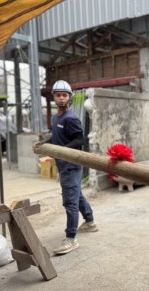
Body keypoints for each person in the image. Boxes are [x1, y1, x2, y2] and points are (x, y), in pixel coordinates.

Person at [33, 80, 98, 255]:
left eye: (64, 95)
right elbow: (56, 138)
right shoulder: (56, 118)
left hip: (71, 166)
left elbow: (80, 140)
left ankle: (71, 239)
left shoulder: (71, 118)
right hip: (63, 164)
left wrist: (62, 151)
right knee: (77, 194)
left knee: (70, 201)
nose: (61, 98)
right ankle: (90, 222)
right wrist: (44, 144)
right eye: (58, 95)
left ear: (69, 97)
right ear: (54, 97)